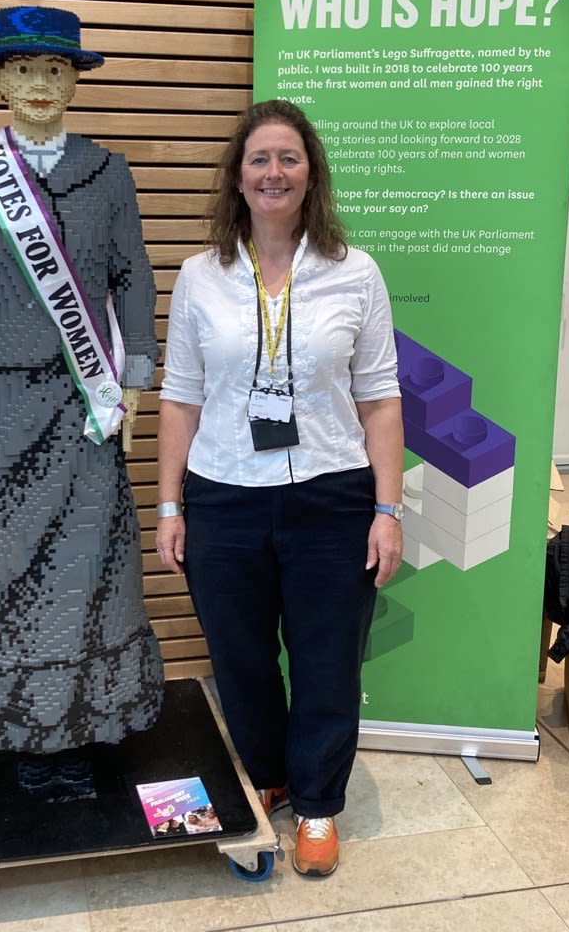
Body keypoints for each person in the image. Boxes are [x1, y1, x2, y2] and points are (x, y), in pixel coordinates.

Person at [156, 99, 403, 876]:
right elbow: (180, 397)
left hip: (332, 495)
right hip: (224, 494)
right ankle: (266, 776)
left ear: (310, 173)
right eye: (259, 159)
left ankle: (320, 804)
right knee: (241, 655)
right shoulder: (202, 276)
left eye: (288, 158)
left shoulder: (354, 272)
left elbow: (381, 398)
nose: (273, 172)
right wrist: (168, 504)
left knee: (328, 655)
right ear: (238, 176)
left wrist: (387, 509)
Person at [0, 6, 164, 800]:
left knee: (87, 567)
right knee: (1, 565)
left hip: (84, 407)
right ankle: (11, 724)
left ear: (75, 81)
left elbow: (131, 277)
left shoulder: (109, 171)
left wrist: (134, 380)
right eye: (23, 68)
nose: (39, 84)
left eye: (55, 70)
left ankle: (83, 721)